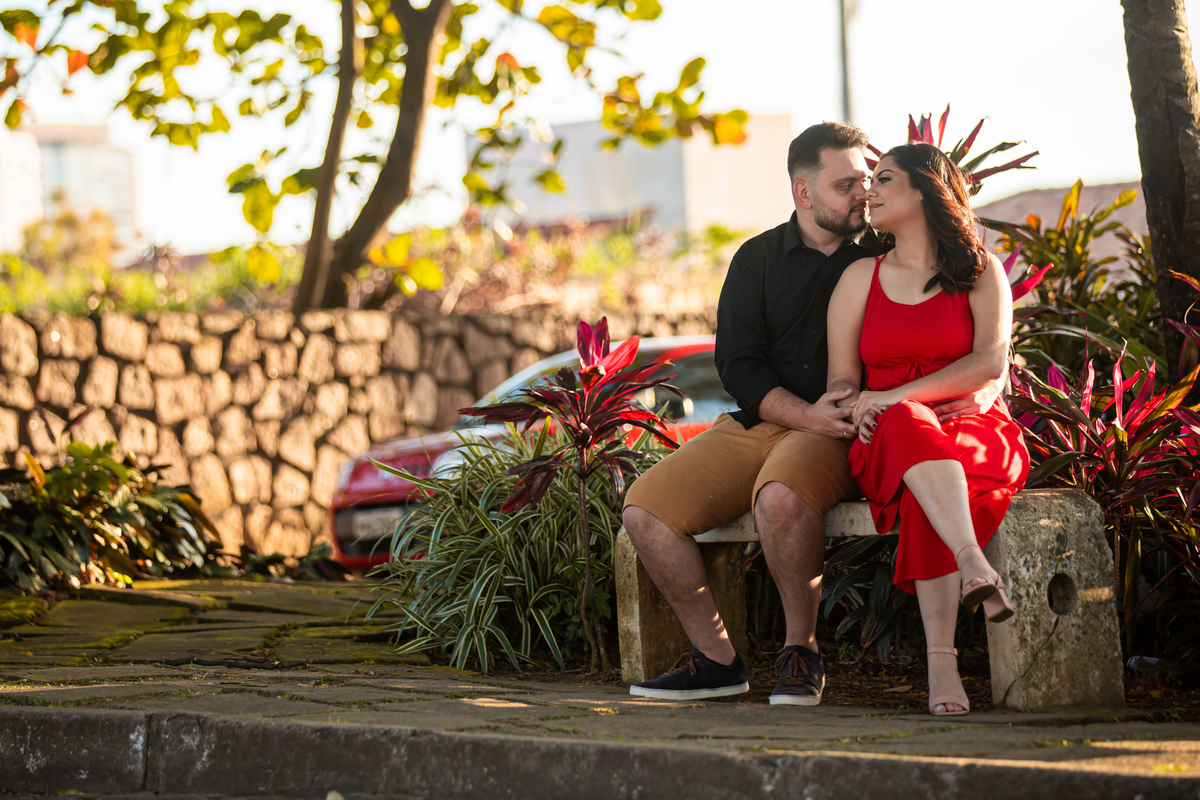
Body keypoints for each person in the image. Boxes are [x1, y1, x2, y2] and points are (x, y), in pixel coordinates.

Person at [622, 123, 1003, 704]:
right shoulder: (757, 259)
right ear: (804, 193)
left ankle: (801, 652)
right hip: (770, 419)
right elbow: (739, 365)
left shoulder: (886, 248)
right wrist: (802, 412)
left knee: (780, 498)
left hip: (843, 426)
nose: (864, 194)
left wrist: (987, 384)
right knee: (645, 512)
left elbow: (972, 331)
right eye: (848, 183)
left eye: (870, 181)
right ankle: (717, 660)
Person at [826, 142, 1030, 716]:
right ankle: (972, 560)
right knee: (911, 429)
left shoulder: (981, 271)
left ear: (923, 190)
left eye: (884, 179)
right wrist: (869, 404)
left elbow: (990, 362)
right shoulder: (859, 278)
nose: (869, 190)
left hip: (974, 426)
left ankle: (941, 660)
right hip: (885, 435)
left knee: (931, 488)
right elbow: (841, 383)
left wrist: (894, 394)